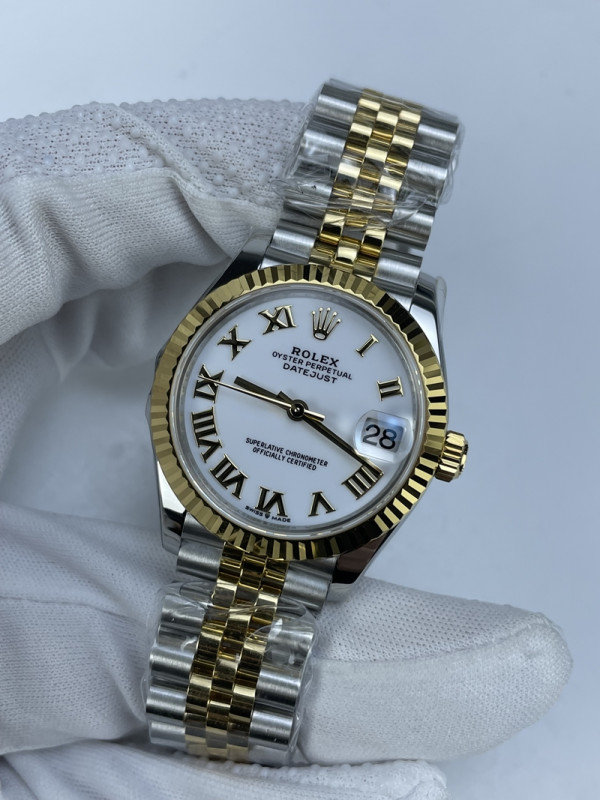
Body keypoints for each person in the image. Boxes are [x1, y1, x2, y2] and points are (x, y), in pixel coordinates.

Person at [0, 94, 571, 799]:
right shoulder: (223, 350)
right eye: (291, 406)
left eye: (301, 411)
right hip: (236, 511)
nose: (298, 410)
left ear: (434, 453)